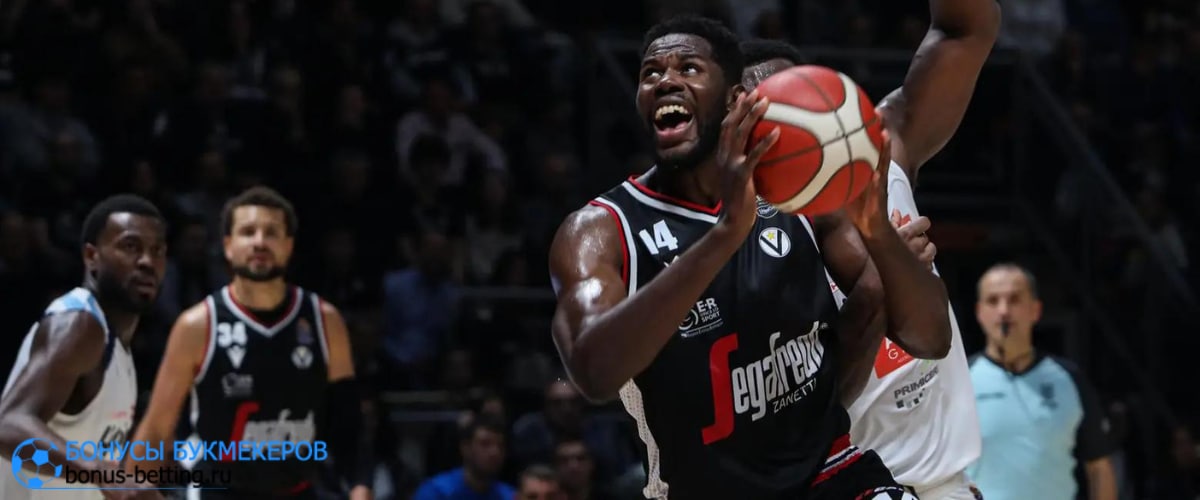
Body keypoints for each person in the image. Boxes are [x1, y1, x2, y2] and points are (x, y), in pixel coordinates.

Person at [548, 15, 952, 499]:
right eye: (650, 72)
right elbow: (593, 373)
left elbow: (930, 338)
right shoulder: (602, 231)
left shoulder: (797, 193)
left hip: (830, 476)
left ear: (735, 99)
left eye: (688, 68)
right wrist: (723, 236)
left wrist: (879, 234)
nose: (666, 80)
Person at [740, 0, 1001, 497]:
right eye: (770, 112)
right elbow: (796, 415)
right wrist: (887, 278)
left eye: (801, 98)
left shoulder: (882, 151)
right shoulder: (738, 243)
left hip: (948, 485)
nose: (796, 120)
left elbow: (965, 31)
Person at [127, 187, 372, 499]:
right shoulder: (198, 325)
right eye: (248, 232)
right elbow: (156, 429)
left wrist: (361, 488)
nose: (259, 241)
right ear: (228, 246)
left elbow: (349, 425)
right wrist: (127, 491)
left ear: (289, 245)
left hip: (298, 489)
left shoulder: (324, 321)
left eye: (271, 232)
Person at [0, 194, 168, 500]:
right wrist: (102, 472)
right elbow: (8, 425)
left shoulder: (119, 346)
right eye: (131, 246)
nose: (147, 261)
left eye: (157, 251)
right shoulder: (79, 323)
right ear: (92, 256)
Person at [967, 263, 1117, 500]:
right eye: (993, 301)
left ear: (1035, 310)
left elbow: (1099, 466)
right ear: (979, 312)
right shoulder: (961, 380)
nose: (1003, 311)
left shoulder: (1068, 378)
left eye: (1014, 300)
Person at [413, 414, 515, 500]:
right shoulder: (436, 492)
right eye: (485, 444)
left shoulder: (508, 495)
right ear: (465, 448)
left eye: (500, 446)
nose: (494, 452)